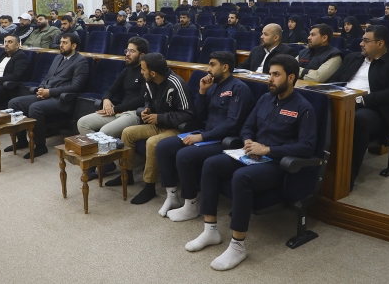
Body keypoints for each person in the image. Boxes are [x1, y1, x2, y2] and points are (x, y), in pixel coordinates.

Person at [184, 54, 316, 271]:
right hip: (252, 154)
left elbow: (307, 146)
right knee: (211, 164)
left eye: (276, 75)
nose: (270, 79)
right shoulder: (265, 99)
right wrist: (247, 140)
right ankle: (210, 230)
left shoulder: (304, 108)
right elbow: (247, 126)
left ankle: (237, 246)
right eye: (270, 74)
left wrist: (268, 149)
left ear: (291, 77)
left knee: (241, 177)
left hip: (277, 163)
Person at [156, 51, 254, 219]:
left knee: (184, 155)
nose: (208, 69)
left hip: (224, 140)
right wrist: (202, 92)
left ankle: (190, 205)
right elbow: (199, 117)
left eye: (212, 64)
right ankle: (172, 196)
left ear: (225, 67)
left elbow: (233, 123)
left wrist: (202, 137)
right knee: (163, 146)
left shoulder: (239, 88)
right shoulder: (213, 86)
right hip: (206, 133)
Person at [327, 25, 389, 190]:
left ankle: (345, 178)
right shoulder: (353, 58)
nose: (361, 44)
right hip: (343, 100)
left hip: (377, 109)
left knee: (358, 120)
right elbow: (335, 81)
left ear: (380, 43)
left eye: (366, 41)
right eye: (362, 40)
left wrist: (359, 100)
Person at [106, 53, 195, 205]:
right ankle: (127, 174)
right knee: (127, 132)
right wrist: (147, 110)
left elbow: (188, 114)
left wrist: (160, 118)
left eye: (143, 69)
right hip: (157, 124)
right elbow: (148, 101)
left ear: (153, 73)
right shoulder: (149, 82)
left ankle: (149, 187)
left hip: (175, 129)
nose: (141, 72)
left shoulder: (177, 84)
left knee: (152, 143)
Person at [8, 33, 90, 158]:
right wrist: (41, 88)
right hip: (47, 94)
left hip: (62, 99)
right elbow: (48, 77)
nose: (61, 45)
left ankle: (40, 146)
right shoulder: (58, 58)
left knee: (35, 108)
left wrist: (50, 92)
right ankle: (22, 140)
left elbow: (76, 86)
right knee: (14, 103)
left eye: (65, 43)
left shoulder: (81, 61)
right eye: (60, 42)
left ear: (74, 46)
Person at [77, 37, 148, 179]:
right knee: (83, 123)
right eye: (127, 50)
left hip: (134, 114)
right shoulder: (127, 70)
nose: (127, 54)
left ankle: (104, 160)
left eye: (132, 51)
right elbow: (110, 90)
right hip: (118, 110)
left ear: (142, 55)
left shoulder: (145, 72)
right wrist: (106, 100)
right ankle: (109, 163)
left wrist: (115, 109)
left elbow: (140, 100)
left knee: (104, 132)